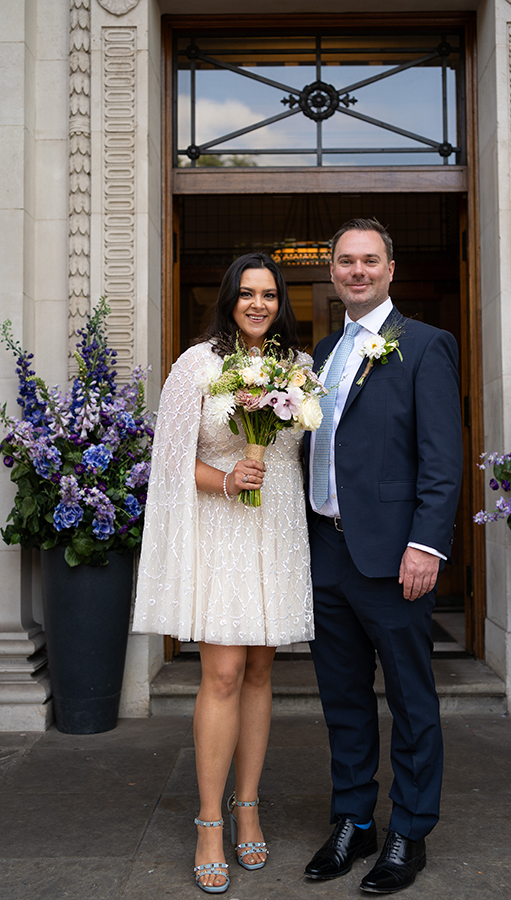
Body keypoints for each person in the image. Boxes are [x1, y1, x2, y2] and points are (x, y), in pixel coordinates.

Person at [132, 252, 313, 894]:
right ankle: (210, 820)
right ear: (228, 299)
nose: (258, 304)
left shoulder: (299, 369)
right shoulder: (196, 366)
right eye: (246, 293)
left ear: (280, 300)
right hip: (221, 526)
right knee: (225, 670)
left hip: (278, 524)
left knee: (263, 668)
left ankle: (249, 808)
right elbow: (170, 462)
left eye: (268, 293)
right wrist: (228, 477)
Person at [303, 218, 463, 894]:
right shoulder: (322, 351)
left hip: (396, 556)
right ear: (332, 272)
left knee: (410, 698)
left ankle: (409, 828)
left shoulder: (424, 346)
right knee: (342, 699)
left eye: (370, 260)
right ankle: (353, 820)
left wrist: (427, 543)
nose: (357, 271)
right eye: (346, 261)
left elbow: (442, 457)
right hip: (327, 551)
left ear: (390, 270)